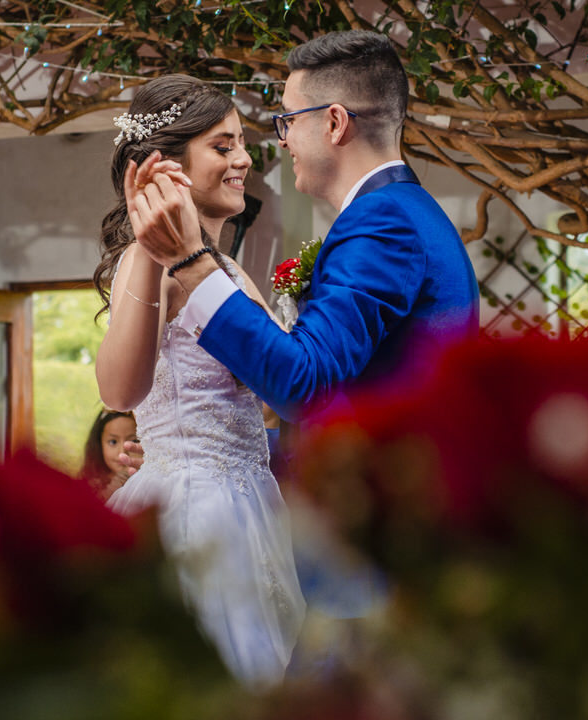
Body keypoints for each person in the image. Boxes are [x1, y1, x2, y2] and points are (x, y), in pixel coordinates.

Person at [124, 30, 480, 425]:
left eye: (288, 121)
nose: (282, 140)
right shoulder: (407, 210)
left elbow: (305, 385)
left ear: (334, 122)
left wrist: (191, 261)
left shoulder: (384, 221)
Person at [93, 75, 305, 690]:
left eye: (241, 143)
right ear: (164, 167)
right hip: (195, 508)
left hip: (249, 500)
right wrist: (153, 255)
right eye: (223, 145)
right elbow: (119, 393)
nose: (244, 159)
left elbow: (276, 386)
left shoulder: (227, 266)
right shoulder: (146, 258)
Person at [79, 408, 137, 500]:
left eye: (134, 441)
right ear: (99, 443)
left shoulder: (152, 481)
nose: (122, 453)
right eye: (113, 442)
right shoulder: (91, 485)